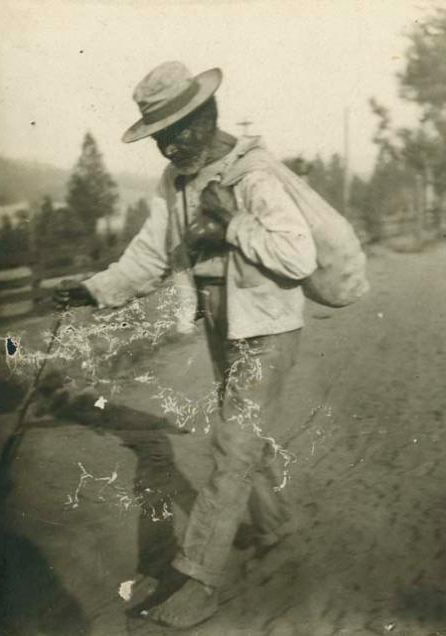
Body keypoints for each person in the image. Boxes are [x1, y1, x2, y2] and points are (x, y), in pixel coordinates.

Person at [54, 61, 318, 628]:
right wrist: (93, 289)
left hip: (268, 323)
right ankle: (275, 525)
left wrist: (231, 228)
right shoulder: (175, 184)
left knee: (232, 444)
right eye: (159, 136)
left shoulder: (255, 175)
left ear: (207, 115)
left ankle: (198, 579)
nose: (170, 146)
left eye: (178, 130)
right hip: (223, 322)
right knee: (247, 440)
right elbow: (153, 255)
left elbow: (299, 256)